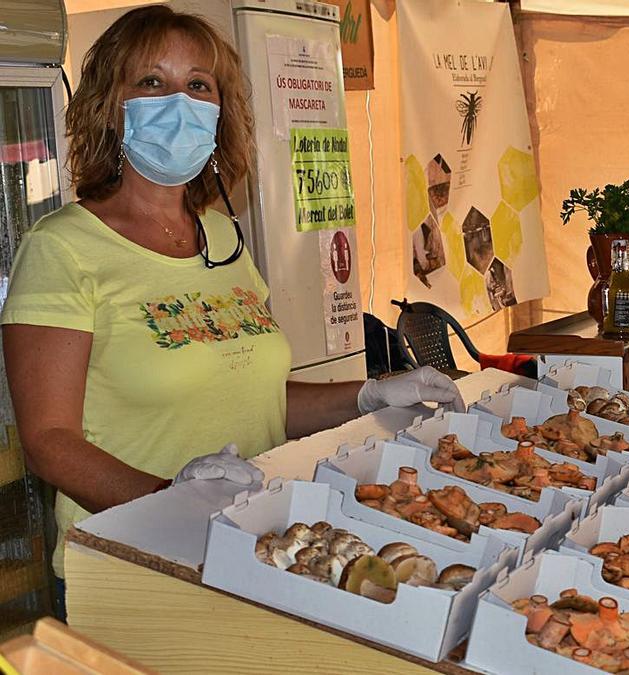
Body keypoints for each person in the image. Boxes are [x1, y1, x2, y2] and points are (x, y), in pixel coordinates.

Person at [0, 7, 464, 604]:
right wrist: (175, 497)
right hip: (139, 568)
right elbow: (49, 441)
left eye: (198, 84)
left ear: (220, 112)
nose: (180, 102)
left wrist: (367, 394)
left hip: (256, 551)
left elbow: (256, 399)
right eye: (151, 82)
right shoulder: (62, 248)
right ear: (108, 106)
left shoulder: (224, 238)